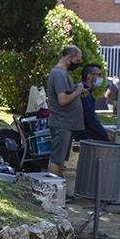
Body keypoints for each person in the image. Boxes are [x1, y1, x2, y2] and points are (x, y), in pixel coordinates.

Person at [43, 44, 86, 176]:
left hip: (66, 123)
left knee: (61, 160)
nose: (78, 64)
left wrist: (77, 90)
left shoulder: (64, 73)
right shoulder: (59, 74)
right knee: (56, 159)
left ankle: (58, 189)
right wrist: (77, 91)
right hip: (61, 123)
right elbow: (62, 100)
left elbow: (67, 94)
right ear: (69, 57)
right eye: (77, 60)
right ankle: (53, 190)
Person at [73, 63, 111, 143]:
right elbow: (91, 118)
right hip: (83, 134)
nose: (101, 78)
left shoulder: (84, 90)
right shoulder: (84, 92)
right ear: (89, 76)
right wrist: (105, 135)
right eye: (99, 75)